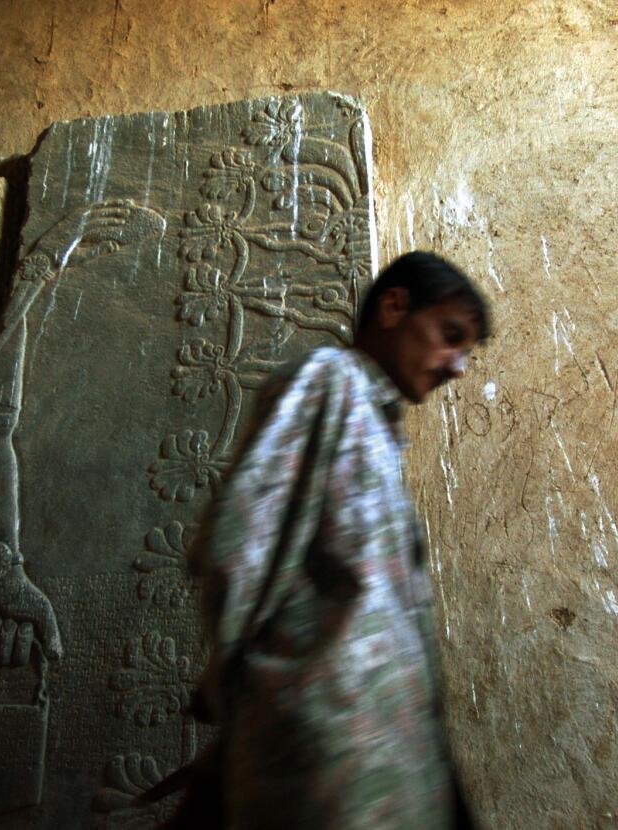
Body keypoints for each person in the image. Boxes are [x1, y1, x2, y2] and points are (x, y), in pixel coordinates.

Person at [176, 251, 491, 829]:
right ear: (395, 307)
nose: (458, 367)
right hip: (324, 738)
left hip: (384, 750)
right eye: (451, 337)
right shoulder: (329, 381)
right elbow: (242, 532)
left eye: (466, 351)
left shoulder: (378, 426)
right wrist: (236, 687)